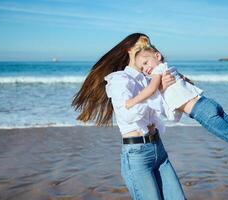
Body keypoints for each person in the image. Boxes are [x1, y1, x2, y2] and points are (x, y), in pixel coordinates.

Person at [125, 46, 228, 177]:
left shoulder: (157, 72)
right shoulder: (170, 68)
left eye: (146, 62)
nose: (146, 69)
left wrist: (132, 101)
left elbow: (151, 89)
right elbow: (188, 81)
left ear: (157, 56)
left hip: (201, 112)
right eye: (142, 68)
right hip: (207, 102)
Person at [72, 33, 187, 199]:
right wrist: (154, 92)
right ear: (129, 50)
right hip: (137, 154)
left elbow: (172, 116)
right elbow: (127, 115)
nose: (144, 49)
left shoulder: (150, 81)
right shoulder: (119, 79)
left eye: (147, 45)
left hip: (159, 149)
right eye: (140, 46)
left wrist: (177, 92)